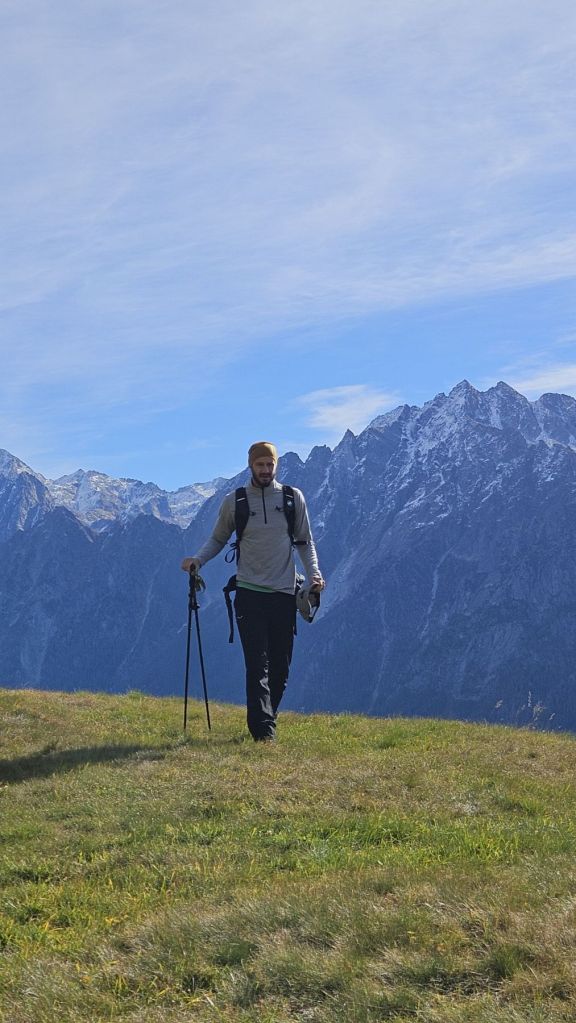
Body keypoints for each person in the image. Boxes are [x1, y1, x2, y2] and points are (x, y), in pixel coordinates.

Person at [181, 441, 325, 742]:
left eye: (270, 464)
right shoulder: (235, 501)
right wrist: (198, 560)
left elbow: (305, 541)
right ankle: (264, 735)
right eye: (260, 465)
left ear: (276, 465)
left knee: (280, 669)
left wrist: (314, 573)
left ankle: (266, 719)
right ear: (250, 466)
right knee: (257, 665)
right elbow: (218, 539)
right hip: (249, 593)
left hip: (284, 594)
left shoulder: (292, 498)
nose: (265, 470)